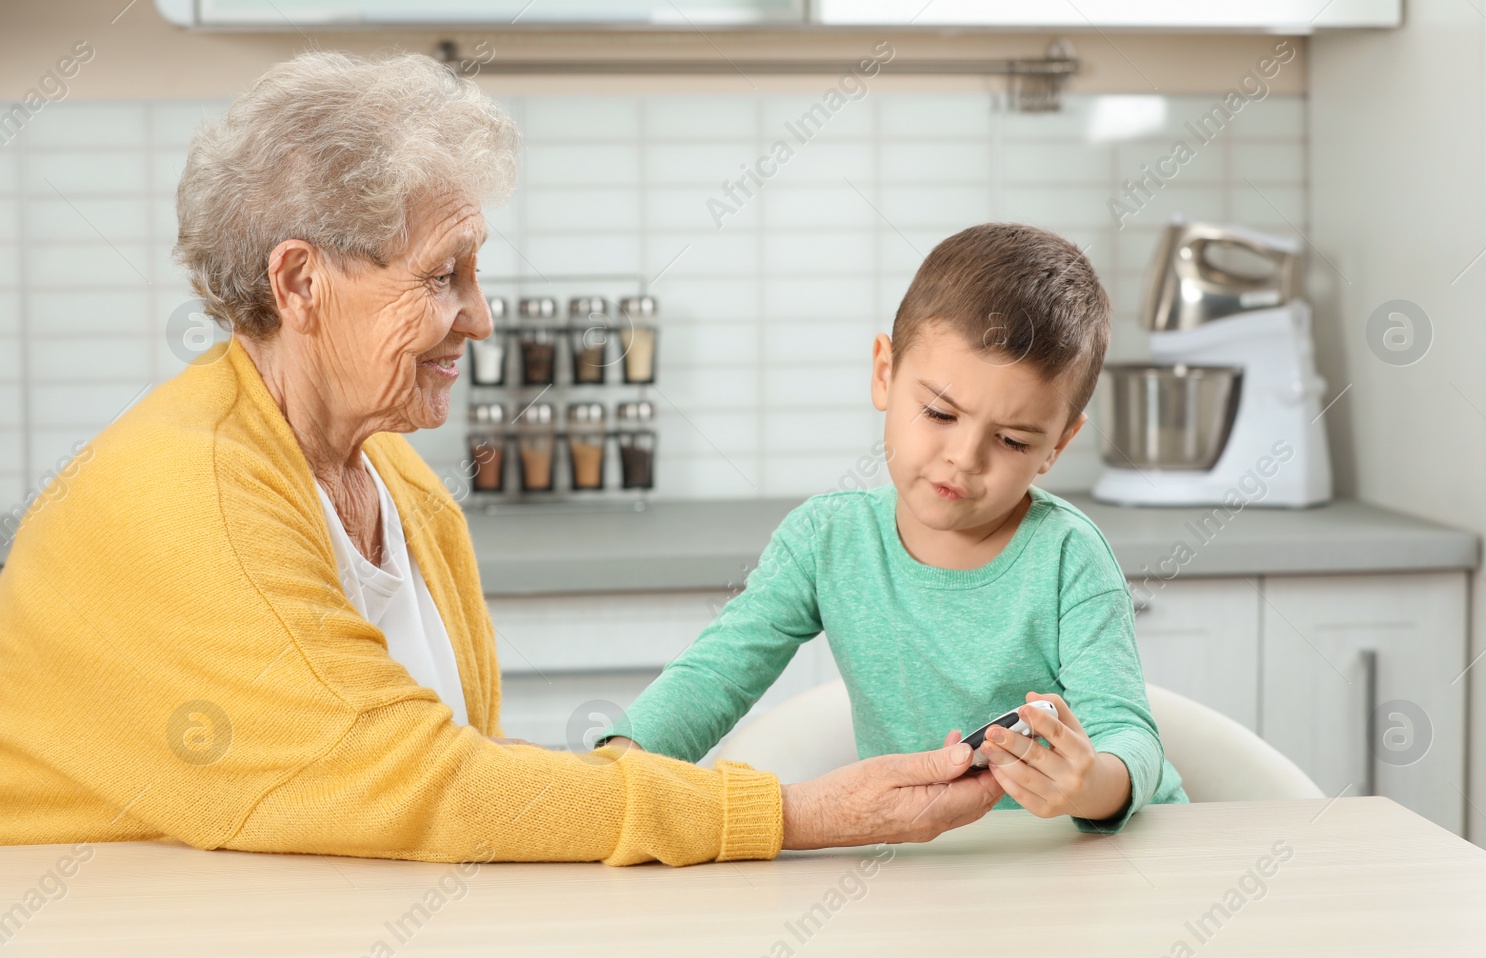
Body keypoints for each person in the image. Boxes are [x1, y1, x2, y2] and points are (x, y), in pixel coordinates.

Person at [0, 51, 1003, 865]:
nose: (479, 317)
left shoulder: (397, 484)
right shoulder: (195, 495)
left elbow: (457, 772)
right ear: (300, 281)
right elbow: (434, 787)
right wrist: (794, 815)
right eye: (444, 274)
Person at [606, 223, 1187, 830]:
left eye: (1012, 440)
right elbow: (715, 675)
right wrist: (615, 772)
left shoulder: (1070, 555)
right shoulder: (825, 542)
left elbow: (1129, 734)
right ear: (884, 372)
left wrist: (1091, 787)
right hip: (931, 870)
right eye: (939, 412)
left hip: (1092, 860)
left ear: (1058, 444)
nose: (964, 457)